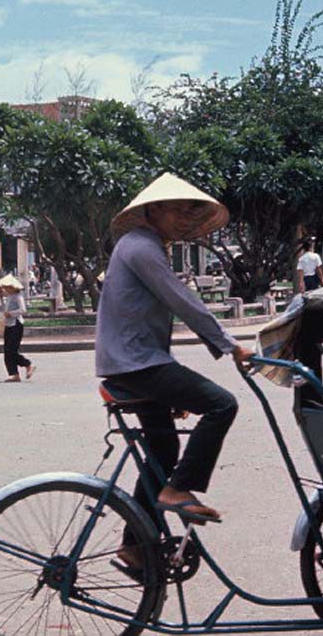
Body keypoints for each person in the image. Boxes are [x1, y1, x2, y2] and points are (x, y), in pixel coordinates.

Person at [96, 172, 252, 564]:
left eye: (189, 211)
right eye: (177, 210)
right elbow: (181, 300)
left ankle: (134, 544)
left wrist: (170, 390)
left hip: (135, 363)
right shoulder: (142, 248)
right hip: (135, 364)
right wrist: (229, 343)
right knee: (222, 405)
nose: (184, 217)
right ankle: (178, 490)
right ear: (155, 210)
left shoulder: (143, 246)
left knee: (163, 448)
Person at [0, 274, 33, 382]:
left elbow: (23, 310)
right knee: (7, 351)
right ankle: (14, 374)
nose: (5, 289)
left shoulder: (18, 297)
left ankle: (27, 364)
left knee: (12, 350)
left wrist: (11, 314)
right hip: (8, 325)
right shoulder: (8, 298)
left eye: (7, 287)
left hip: (16, 325)